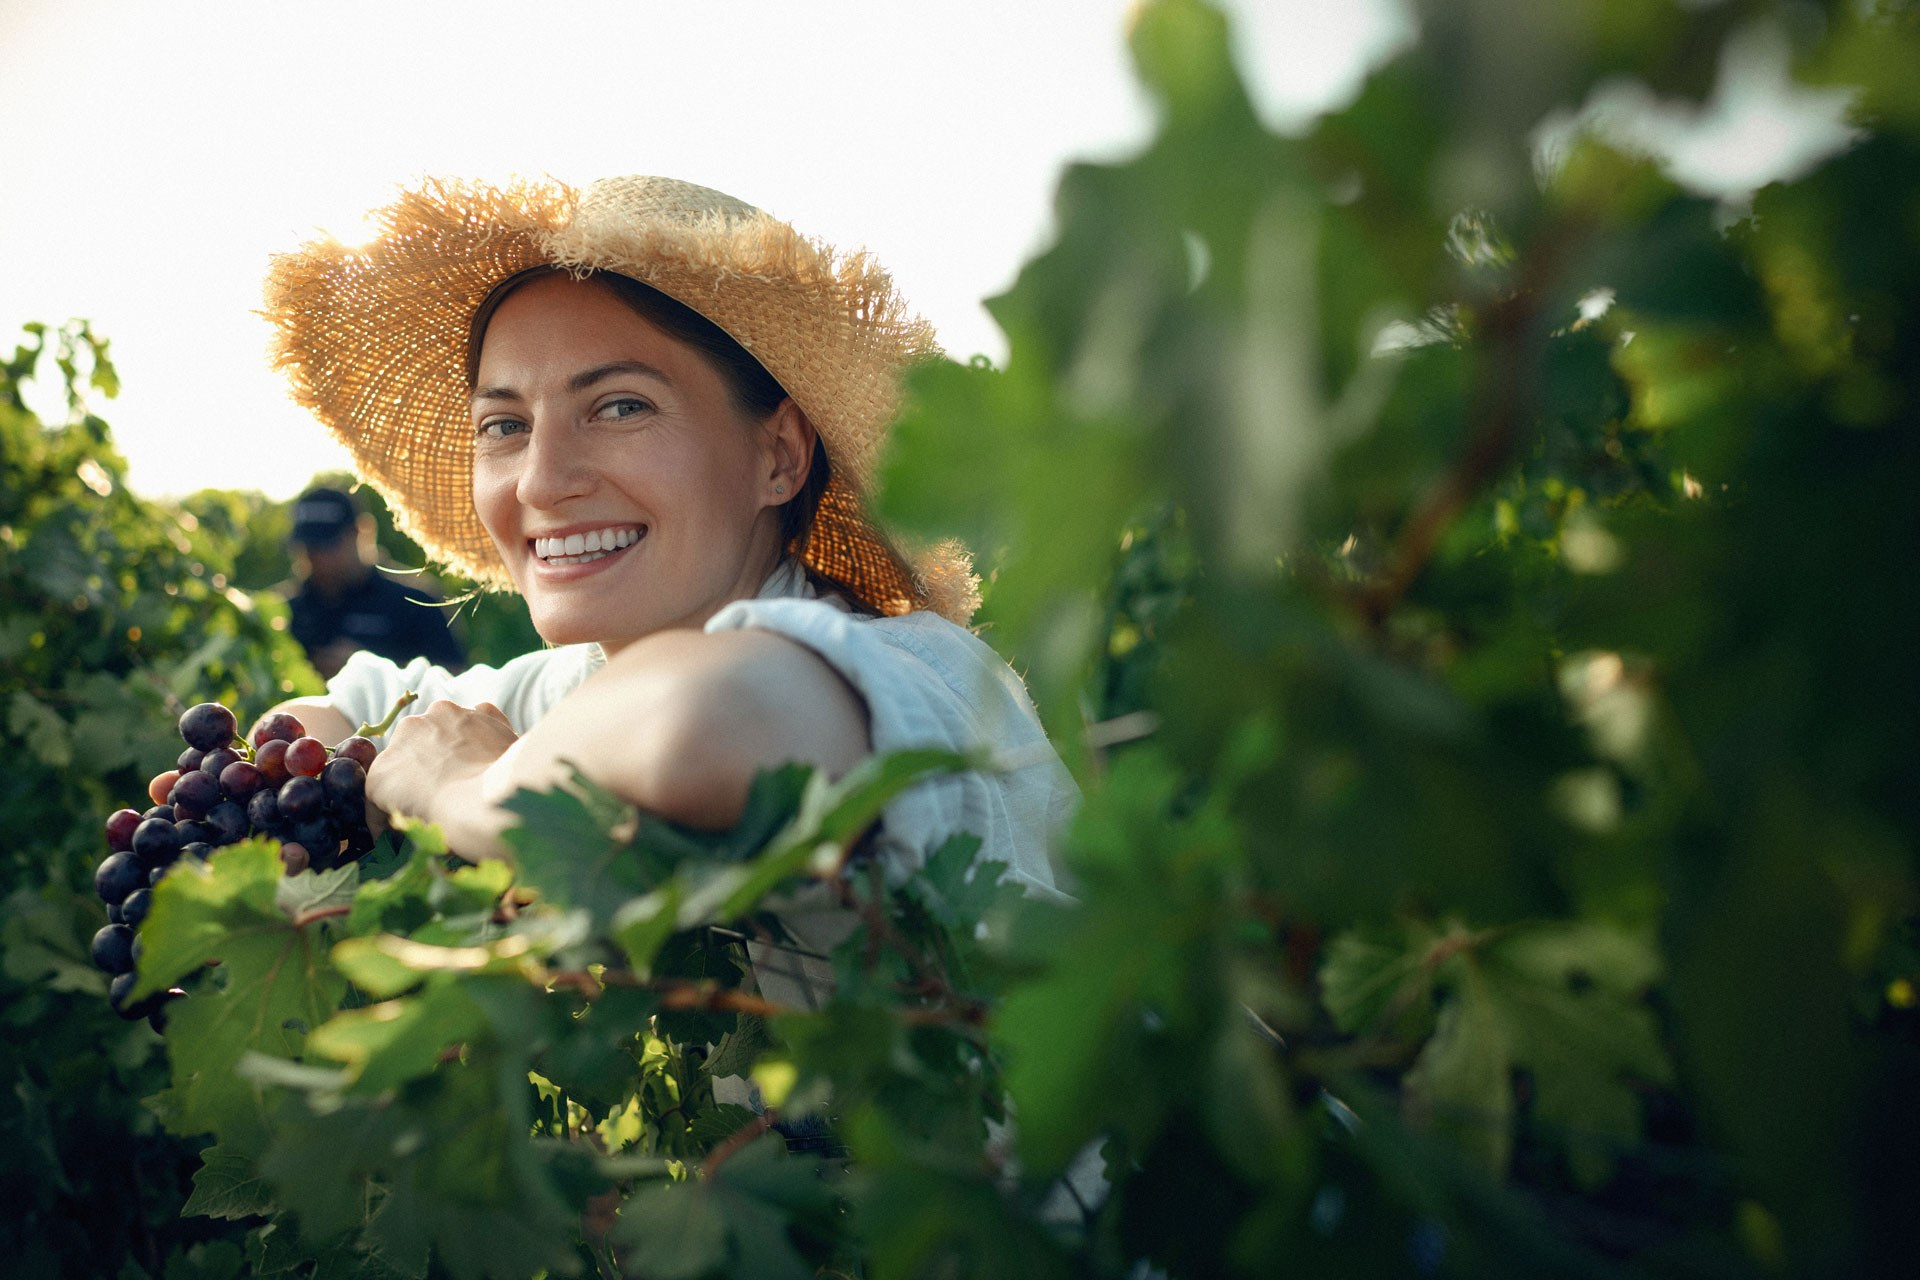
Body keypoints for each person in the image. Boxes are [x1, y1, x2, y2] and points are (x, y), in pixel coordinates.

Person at [257, 174, 1075, 916]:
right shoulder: (574, 685)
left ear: (780, 455)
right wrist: (316, 761)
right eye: (505, 426)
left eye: (620, 408)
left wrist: (467, 790)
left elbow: (705, 721)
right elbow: (349, 712)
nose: (541, 483)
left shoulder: (927, 679)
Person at [283, 484, 469, 678]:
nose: (319, 559)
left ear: (361, 532)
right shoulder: (284, 611)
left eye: (328, 545)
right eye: (310, 547)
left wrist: (369, 669)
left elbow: (454, 679)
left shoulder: (415, 602)